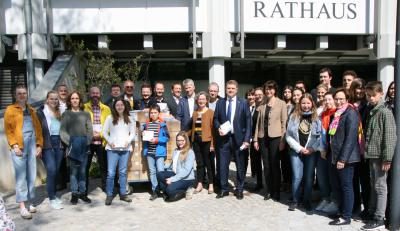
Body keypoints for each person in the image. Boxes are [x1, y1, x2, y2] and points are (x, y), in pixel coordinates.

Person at [4, 84, 43, 219]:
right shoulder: (10, 110)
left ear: (27, 95)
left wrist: (39, 145)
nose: (22, 95)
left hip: (32, 144)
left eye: (24, 93)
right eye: (19, 93)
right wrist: (14, 145)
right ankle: (22, 206)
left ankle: (31, 201)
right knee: (21, 176)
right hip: (19, 146)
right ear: (15, 96)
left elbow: (38, 129)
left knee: (31, 174)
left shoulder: (31, 110)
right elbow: (8, 130)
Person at [361, 81, 396, 231]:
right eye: (368, 96)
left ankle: (379, 217)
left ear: (381, 93)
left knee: (380, 186)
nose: (370, 98)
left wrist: (387, 158)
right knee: (374, 184)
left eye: (372, 95)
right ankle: (372, 211)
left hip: (380, 156)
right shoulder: (373, 110)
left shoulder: (385, 112)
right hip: (372, 154)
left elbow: (389, 137)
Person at [328, 88, 362, 226]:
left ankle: (346, 216)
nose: (338, 101)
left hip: (346, 158)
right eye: (336, 99)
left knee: (346, 186)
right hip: (336, 156)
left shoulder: (351, 113)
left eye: (341, 99)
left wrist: (342, 159)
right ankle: (342, 211)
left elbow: (350, 138)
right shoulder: (338, 114)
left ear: (347, 99)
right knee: (339, 186)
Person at [214, 80, 251, 200]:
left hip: (239, 139)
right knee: (223, 165)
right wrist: (218, 127)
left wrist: (247, 140)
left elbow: (248, 122)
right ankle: (224, 189)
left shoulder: (244, 102)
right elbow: (215, 119)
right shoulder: (220, 102)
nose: (230, 90)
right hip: (224, 139)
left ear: (237, 89)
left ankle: (239, 189)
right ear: (225, 89)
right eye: (228, 88)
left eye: (232, 88)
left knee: (240, 165)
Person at [285, 93, 321, 211]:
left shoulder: (316, 117)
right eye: (303, 103)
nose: (306, 105)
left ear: (312, 104)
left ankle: (306, 200)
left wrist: (312, 148)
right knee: (297, 176)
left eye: (308, 103)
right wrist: (300, 148)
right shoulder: (294, 116)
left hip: (311, 151)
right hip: (296, 151)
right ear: (300, 104)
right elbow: (288, 136)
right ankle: (295, 200)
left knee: (309, 177)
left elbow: (320, 136)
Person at [254, 80, 288, 201]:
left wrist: (283, 141)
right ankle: (269, 190)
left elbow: (284, 123)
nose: (268, 91)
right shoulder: (262, 104)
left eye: (271, 88)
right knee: (266, 166)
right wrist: (255, 140)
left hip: (276, 138)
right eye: (266, 89)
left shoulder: (281, 103)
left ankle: (276, 190)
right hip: (263, 138)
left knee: (275, 165)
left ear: (275, 90)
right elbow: (258, 123)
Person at [60, 91, 93, 205]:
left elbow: (89, 130)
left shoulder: (86, 114)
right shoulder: (66, 114)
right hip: (72, 146)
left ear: (80, 100)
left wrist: (86, 142)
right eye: (73, 98)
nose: (75, 100)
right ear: (70, 101)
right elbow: (62, 131)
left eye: (77, 98)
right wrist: (71, 143)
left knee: (83, 171)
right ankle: (74, 194)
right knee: (74, 172)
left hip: (84, 146)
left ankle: (83, 193)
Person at [103, 98, 135, 205]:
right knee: (111, 173)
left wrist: (128, 141)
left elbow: (133, 133)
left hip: (125, 149)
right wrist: (110, 141)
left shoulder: (130, 118)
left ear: (124, 106)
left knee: (122, 172)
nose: (120, 107)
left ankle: (123, 194)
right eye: (117, 105)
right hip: (112, 149)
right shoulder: (109, 118)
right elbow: (104, 132)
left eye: (121, 105)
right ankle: (109, 194)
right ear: (114, 107)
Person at [36, 91, 64, 210]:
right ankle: (52, 198)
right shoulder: (40, 111)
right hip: (47, 143)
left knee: (56, 170)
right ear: (47, 99)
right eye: (51, 99)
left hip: (59, 142)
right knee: (51, 169)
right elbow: (36, 130)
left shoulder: (60, 111)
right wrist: (38, 145)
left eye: (56, 99)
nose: (54, 101)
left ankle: (53, 193)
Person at [84, 86, 112, 193]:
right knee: (85, 167)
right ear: (89, 94)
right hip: (88, 142)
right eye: (93, 93)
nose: (95, 95)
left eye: (97, 93)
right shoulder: (84, 107)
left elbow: (109, 126)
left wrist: (100, 134)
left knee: (104, 167)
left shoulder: (106, 109)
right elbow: (82, 124)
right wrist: (91, 134)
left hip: (102, 141)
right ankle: (84, 189)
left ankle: (105, 187)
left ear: (100, 94)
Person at [348, 78, 369, 215]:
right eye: (357, 88)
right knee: (353, 178)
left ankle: (367, 208)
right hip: (351, 146)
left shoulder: (368, 105)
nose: (359, 90)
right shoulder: (348, 105)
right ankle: (355, 205)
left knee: (365, 179)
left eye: (362, 88)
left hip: (364, 146)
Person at [157, 131, 195, 202]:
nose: (180, 142)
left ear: (186, 140)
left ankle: (185, 191)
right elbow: (173, 164)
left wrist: (172, 179)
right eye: (178, 140)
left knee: (169, 190)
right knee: (159, 174)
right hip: (176, 173)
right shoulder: (176, 150)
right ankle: (170, 189)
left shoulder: (190, 152)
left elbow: (186, 171)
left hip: (186, 178)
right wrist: (165, 166)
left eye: (182, 140)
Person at [142, 104, 169, 200]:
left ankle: (164, 190)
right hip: (150, 152)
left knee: (160, 172)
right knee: (152, 172)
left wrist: (157, 140)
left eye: (155, 112)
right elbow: (144, 138)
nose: (153, 114)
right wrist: (143, 135)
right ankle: (155, 190)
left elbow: (167, 138)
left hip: (159, 152)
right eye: (151, 113)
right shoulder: (146, 125)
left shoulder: (163, 124)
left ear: (159, 113)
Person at [317, 92, 337, 214]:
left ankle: (334, 201)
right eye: (326, 100)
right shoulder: (323, 114)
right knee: (321, 176)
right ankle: (325, 198)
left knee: (332, 177)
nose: (328, 102)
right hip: (322, 150)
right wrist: (321, 148)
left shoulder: (337, 113)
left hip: (332, 151)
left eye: (330, 99)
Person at [191, 92, 216, 194]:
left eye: (203, 99)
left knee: (208, 163)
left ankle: (211, 183)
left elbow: (213, 130)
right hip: (196, 141)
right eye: (199, 99)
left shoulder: (211, 112)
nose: (201, 101)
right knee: (199, 163)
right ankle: (200, 183)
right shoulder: (195, 112)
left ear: (206, 100)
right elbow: (192, 127)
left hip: (207, 141)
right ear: (197, 101)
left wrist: (212, 144)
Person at [245, 89, 263, 191]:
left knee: (257, 160)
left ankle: (259, 182)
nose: (251, 97)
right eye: (249, 95)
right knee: (247, 159)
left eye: (253, 95)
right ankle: (248, 179)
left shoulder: (259, 108)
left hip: (256, 138)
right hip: (246, 137)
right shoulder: (244, 107)